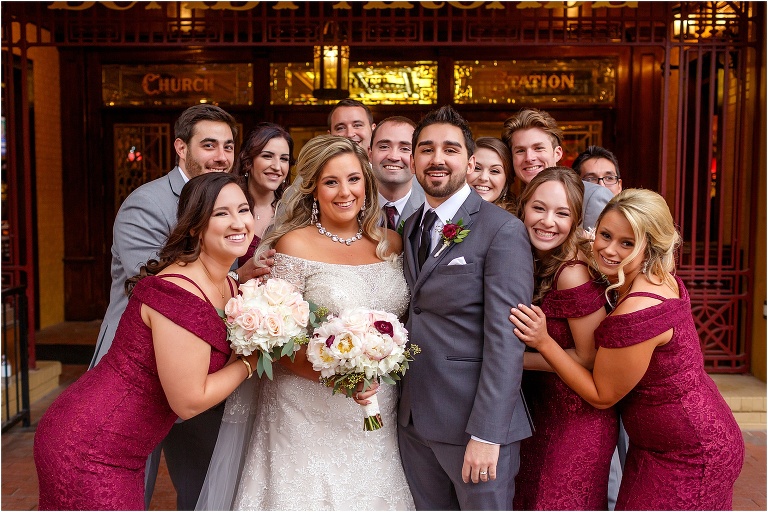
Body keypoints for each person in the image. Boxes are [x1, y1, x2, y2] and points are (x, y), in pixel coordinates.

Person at [197, 135, 415, 510]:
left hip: (377, 405)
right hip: (304, 410)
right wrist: (343, 379)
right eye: (331, 182)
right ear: (313, 187)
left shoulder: (391, 244)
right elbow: (272, 339)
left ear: (367, 181)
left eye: (353, 179)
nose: (345, 192)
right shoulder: (293, 245)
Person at [34, 173, 261, 510]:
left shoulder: (229, 285)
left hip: (124, 447)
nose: (238, 222)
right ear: (195, 226)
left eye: (243, 210)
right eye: (221, 213)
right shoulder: (178, 291)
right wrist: (251, 361)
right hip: (89, 444)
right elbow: (189, 401)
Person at [510, 189, 745, 510]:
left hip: (688, 452)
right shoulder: (659, 275)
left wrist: (543, 342)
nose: (608, 249)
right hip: (671, 438)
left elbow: (600, 394)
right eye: (605, 235)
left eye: (627, 243)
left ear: (650, 246)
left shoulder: (636, 314)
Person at [397, 105, 533, 510]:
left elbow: (506, 340)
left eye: (450, 149)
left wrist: (488, 434)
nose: (437, 159)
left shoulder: (501, 230)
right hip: (414, 420)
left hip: (474, 428)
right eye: (426, 149)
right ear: (413, 160)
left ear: (470, 162)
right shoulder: (410, 227)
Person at [511, 167, 616, 510]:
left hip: (576, 419)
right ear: (523, 207)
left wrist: (524, 352)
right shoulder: (527, 258)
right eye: (539, 208)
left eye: (562, 213)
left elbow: (589, 358)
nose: (548, 221)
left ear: (574, 220)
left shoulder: (571, 272)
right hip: (540, 412)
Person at [573, 143, 625, 509]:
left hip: (612, 366)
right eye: (591, 179)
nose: (600, 185)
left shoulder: (629, 235)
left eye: (608, 178)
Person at [501, 107, 613, 230]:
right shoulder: (511, 205)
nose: (529, 158)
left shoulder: (592, 197)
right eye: (520, 151)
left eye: (538, 148)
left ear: (558, 153)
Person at [233, 122, 293, 266]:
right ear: (248, 161)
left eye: (284, 159)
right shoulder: (227, 207)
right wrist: (237, 276)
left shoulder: (294, 211)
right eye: (267, 156)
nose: (277, 167)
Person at [369, 116, 425, 231]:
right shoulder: (351, 205)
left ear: (417, 158)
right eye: (384, 147)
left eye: (405, 148)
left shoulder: (431, 208)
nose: (393, 157)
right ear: (370, 154)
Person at [467, 136, 516, 212]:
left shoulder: (512, 222)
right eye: (477, 168)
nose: (483, 178)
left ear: (506, 180)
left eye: (494, 171)